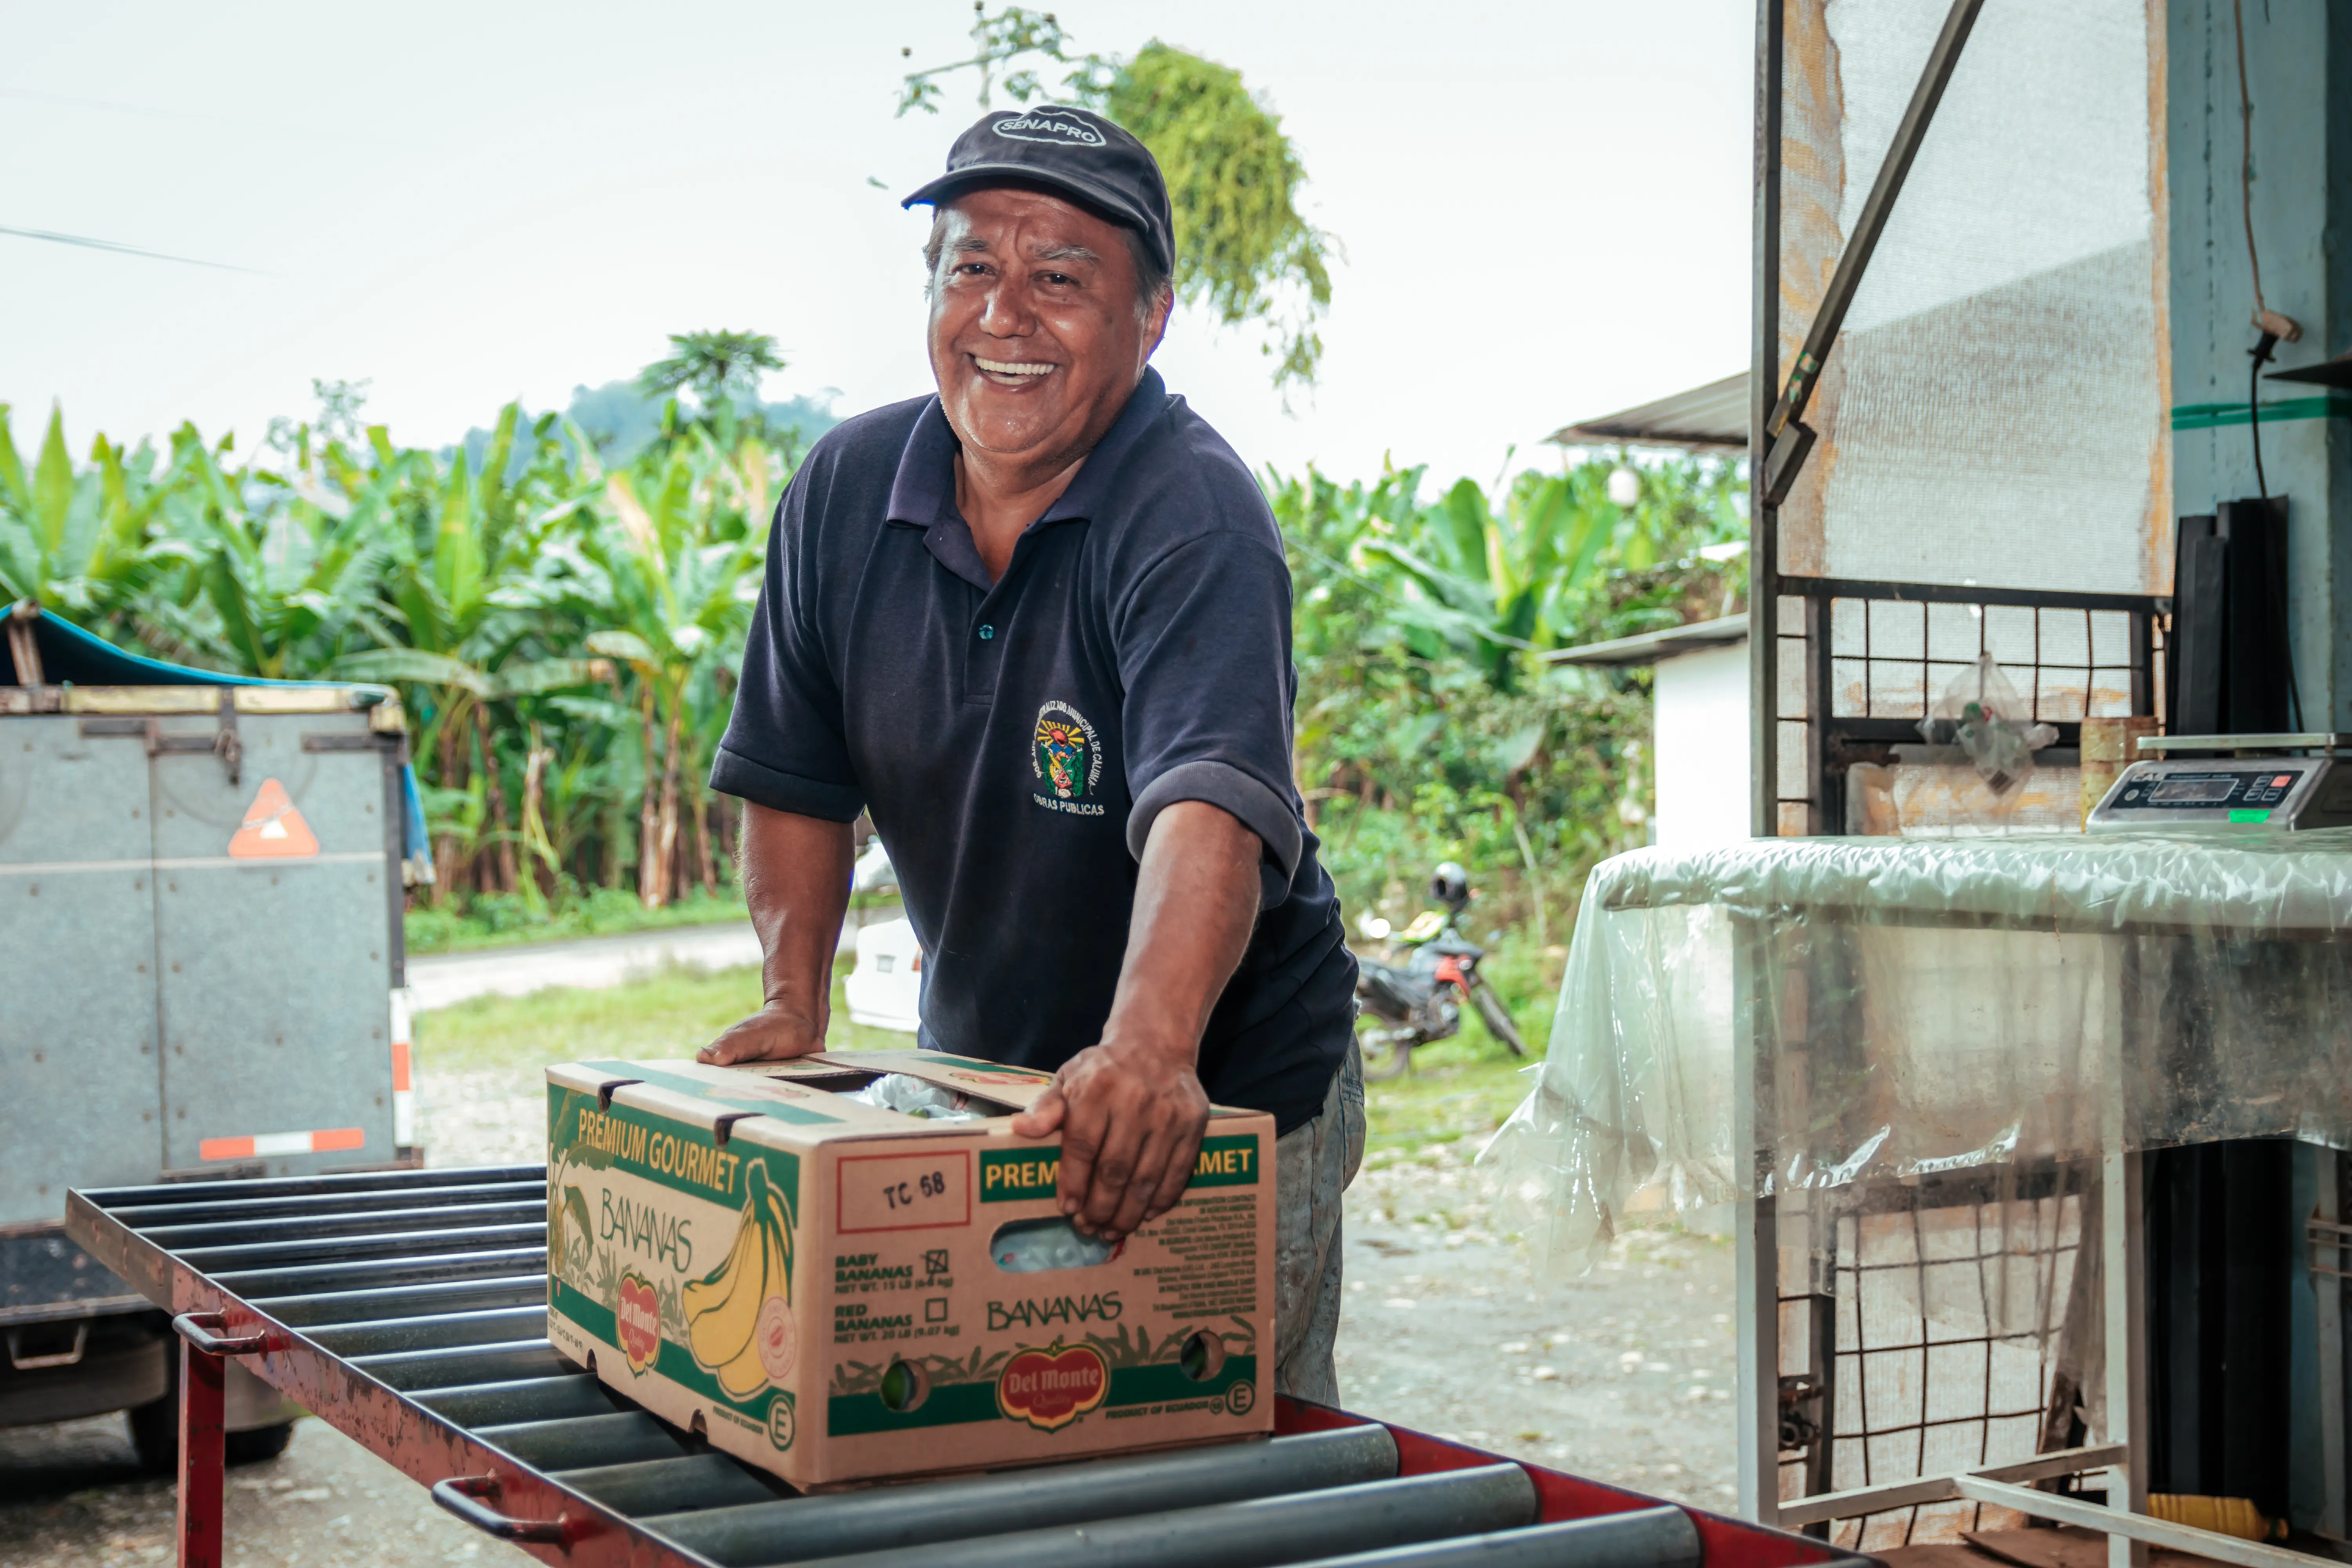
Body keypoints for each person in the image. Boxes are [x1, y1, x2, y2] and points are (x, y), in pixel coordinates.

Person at [700, 103, 1363, 1399]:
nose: (1005, 318)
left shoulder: (1193, 516)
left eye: (1061, 279)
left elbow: (1210, 804)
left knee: (1228, 1455)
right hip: (987, 1074)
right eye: (974, 270)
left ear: (1152, 314)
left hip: (1224, 1086)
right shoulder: (843, 490)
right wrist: (795, 999)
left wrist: (1152, 1050)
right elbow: (792, 773)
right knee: (1001, 1439)